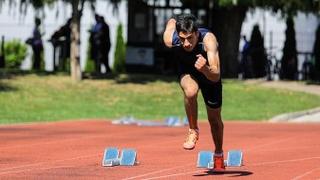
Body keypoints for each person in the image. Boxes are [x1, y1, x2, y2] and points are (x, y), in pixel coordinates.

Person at [163, 14, 225, 171]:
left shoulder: (208, 40)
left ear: (197, 33)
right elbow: (170, 24)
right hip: (187, 72)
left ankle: (218, 154)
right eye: (182, 39)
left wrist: (204, 68)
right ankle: (193, 129)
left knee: (215, 120)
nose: (186, 43)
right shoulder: (171, 39)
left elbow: (216, 75)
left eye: (190, 38)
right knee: (190, 92)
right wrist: (173, 20)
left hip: (209, 75)